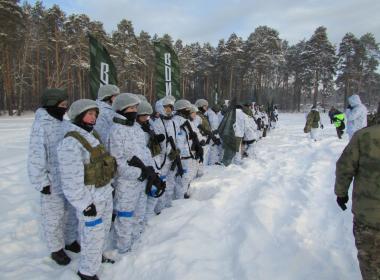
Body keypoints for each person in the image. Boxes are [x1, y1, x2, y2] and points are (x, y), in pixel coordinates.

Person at [57, 99, 116, 280]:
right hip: (90, 199)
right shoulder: (71, 142)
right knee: (92, 235)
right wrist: (84, 204)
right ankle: (87, 272)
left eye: (95, 114)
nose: (93, 118)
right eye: (89, 114)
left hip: (103, 192)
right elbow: (71, 180)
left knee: (103, 232)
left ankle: (96, 258)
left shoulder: (91, 135)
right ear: (78, 115)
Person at [28, 88, 79, 266]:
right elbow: (36, 156)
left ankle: (70, 240)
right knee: (54, 216)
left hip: (69, 178)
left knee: (72, 212)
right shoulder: (41, 126)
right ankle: (56, 249)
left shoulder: (64, 124)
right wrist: (41, 182)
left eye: (66, 105)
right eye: (62, 105)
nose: (65, 109)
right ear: (52, 105)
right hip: (52, 181)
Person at [108, 94, 164, 255]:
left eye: (135, 108)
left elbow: (145, 152)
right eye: (131, 108)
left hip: (142, 179)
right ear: (122, 109)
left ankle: (136, 241)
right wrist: (140, 173)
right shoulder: (117, 130)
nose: (134, 111)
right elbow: (118, 162)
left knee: (139, 212)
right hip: (127, 182)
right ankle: (123, 248)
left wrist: (151, 171)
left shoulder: (135, 128)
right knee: (125, 216)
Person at [334, 106, 380, 280]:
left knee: (371, 267)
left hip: (369, 219)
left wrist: (341, 193)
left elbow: (345, 167)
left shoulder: (363, 136)